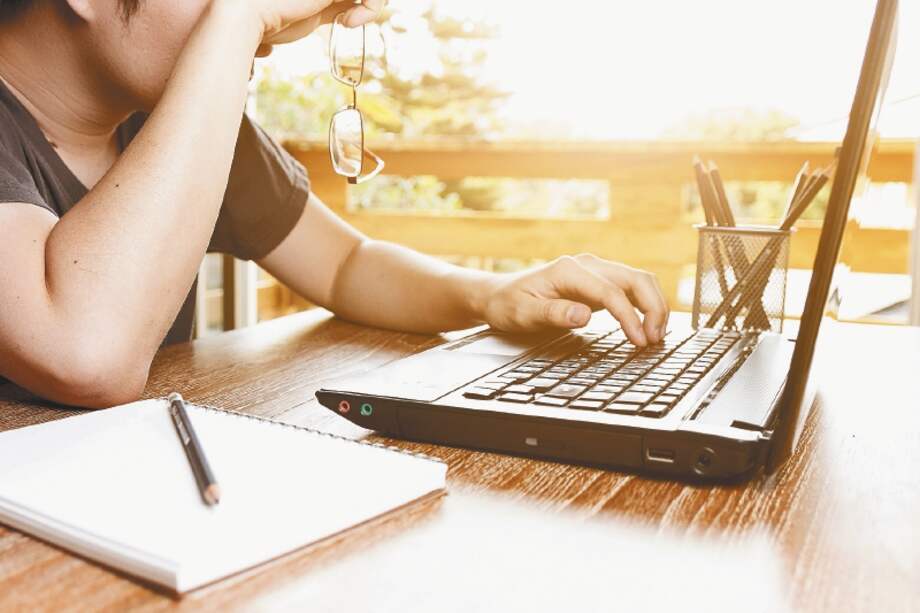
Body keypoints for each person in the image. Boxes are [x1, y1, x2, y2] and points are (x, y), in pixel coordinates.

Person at [0, 0, 669, 409]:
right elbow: (87, 352)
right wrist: (236, 17)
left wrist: (492, 294)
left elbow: (346, 264)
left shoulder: (179, 129)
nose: (263, 39)